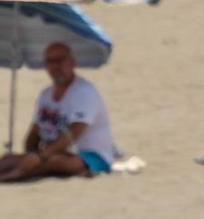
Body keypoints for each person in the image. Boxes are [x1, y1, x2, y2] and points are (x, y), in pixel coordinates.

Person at [0, 42, 117, 182]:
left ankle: (16, 174)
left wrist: (40, 157)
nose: (55, 66)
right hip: (52, 152)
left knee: (55, 161)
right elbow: (35, 131)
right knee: (8, 159)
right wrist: (30, 154)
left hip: (89, 155)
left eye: (60, 60)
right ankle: (20, 170)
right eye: (50, 61)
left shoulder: (84, 92)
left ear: (72, 63)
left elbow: (74, 132)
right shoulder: (46, 94)